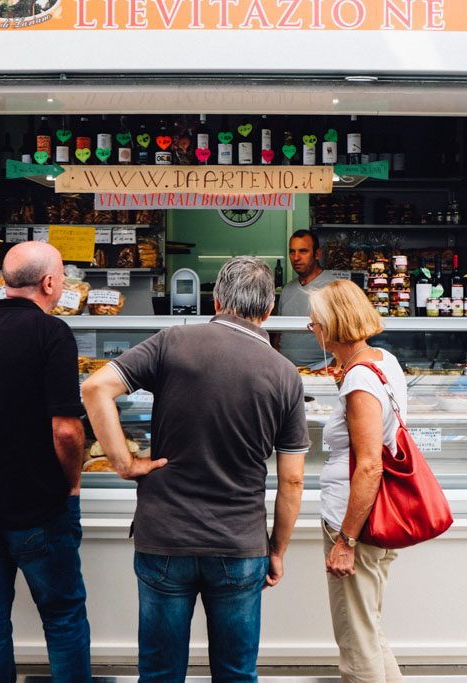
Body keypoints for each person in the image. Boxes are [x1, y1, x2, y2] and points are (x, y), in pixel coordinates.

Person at [82, 256, 309, 682]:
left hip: (164, 537)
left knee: (161, 672)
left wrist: (125, 464)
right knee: (236, 673)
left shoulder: (172, 341)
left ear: (217, 299)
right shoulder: (284, 374)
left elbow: (95, 387)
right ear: (269, 311)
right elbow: (292, 480)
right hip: (239, 545)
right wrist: (275, 550)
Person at [0, 241, 91, 683]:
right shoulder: (53, 334)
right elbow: (66, 429)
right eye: (61, 275)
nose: (62, 282)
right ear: (48, 283)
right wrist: (72, 485)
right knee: (62, 618)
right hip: (39, 508)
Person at [308, 279, 408, 683]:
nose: (309, 326)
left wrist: (345, 541)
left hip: (356, 520)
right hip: (379, 514)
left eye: (314, 319)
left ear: (333, 323)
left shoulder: (360, 380)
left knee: (356, 642)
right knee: (369, 628)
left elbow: (368, 465)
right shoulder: (383, 361)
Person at [277, 229, 339, 367]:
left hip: (323, 370)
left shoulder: (334, 288)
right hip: (287, 371)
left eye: (303, 251)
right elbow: (278, 334)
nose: (296, 257)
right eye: (292, 252)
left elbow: (348, 336)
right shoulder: (287, 289)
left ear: (317, 254)